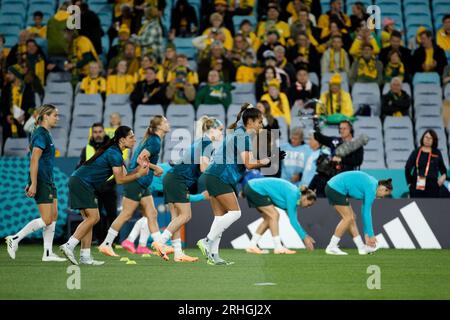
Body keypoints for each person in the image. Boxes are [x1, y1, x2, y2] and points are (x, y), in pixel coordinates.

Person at [59, 126, 149, 265]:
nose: (134, 139)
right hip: (82, 183)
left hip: (79, 181)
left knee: (89, 219)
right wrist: (139, 174)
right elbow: (120, 180)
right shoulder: (114, 153)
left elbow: (125, 175)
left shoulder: (116, 152)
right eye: (131, 137)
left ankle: (85, 257)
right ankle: (69, 245)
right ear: (122, 140)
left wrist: (138, 169)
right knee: (94, 217)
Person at [197, 103, 271, 265]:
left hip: (213, 174)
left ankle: (214, 257)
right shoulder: (243, 137)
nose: (261, 125)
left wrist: (246, 108)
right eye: (259, 122)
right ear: (250, 122)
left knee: (220, 218)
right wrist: (266, 161)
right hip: (220, 176)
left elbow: (240, 119)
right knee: (236, 213)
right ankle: (207, 240)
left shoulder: (239, 129)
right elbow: (249, 164)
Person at [99, 116, 171, 260]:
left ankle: (159, 245)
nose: (168, 124)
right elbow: (140, 159)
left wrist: (151, 169)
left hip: (142, 182)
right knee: (126, 214)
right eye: (165, 122)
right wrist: (155, 167)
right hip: (136, 181)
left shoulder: (154, 139)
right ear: (159, 127)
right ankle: (106, 244)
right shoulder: (155, 141)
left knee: (152, 213)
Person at [155, 116, 224, 262]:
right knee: (186, 215)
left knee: (177, 218)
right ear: (212, 130)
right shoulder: (207, 143)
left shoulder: (201, 141)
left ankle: (178, 253)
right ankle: (160, 242)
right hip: (177, 180)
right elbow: (204, 167)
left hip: (172, 178)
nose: (222, 133)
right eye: (220, 130)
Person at [6, 105, 66, 262]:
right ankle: (15, 239)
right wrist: (33, 183)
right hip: (41, 181)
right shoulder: (40, 134)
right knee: (46, 219)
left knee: (53, 216)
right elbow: (34, 160)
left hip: (49, 180)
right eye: (55, 115)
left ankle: (47, 253)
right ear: (45, 116)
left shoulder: (46, 134)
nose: (57, 118)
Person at [324, 171, 393, 255]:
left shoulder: (373, 185)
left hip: (333, 187)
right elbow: (367, 213)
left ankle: (361, 248)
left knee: (351, 217)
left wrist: (366, 235)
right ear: (382, 188)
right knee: (348, 218)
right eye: (385, 194)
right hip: (335, 188)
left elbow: (364, 212)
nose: (382, 197)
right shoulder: (371, 188)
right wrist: (371, 235)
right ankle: (331, 246)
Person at [244, 179, 317, 254]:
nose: (308, 207)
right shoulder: (293, 195)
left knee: (269, 218)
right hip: (255, 188)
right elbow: (293, 221)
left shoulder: (295, 197)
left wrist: (305, 235)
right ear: (305, 198)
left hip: (252, 187)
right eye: (309, 204)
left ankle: (252, 246)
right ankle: (278, 247)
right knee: (275, 215)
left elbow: (294, 220)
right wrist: (304, 237)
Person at [77, 123, 119, 244]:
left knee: (112, 214)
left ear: (104, 132)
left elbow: (119, 168)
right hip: (93, 189)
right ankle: (99, 240)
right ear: (92, 133)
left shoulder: (112, 148)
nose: (97, 134)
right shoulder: (87, 149)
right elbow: (81, 168)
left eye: (100, 131)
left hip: (109, 187)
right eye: (95, 132)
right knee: (95, 216)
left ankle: (114, 241)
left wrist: (109, 183)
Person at [405, 130, 447, 198]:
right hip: (418, 183)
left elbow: (443, 169)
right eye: (426, 137)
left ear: (434, 140)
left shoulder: (437, 152)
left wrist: (444, 176)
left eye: (430, 138)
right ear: (423, 138)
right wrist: (409, 184)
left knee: (431, 206)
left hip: (433, 185)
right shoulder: (416, 152)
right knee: (418, 206)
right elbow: (407, 168)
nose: (428, 139)